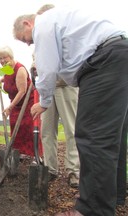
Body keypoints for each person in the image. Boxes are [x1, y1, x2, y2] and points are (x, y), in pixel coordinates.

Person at [13, 5, 128, 216]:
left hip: (103, 63)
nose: (29, 43)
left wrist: (44, 101)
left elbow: (47, 69)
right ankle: (113, 197)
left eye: (26, 38)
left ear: (28, 23)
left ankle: (92, 209)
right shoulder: (62, 20)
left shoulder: (44, 24)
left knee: (92, 136)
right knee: (111, 137)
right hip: (117, 56)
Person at [35, 4, 80, 188]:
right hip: (48, 90)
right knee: (47, 131)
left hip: (66, 87)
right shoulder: (41, 36)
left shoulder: (67, 31)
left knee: (72, 130)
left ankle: (74, 172)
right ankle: (50, 168)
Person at [0, 46, 43, 160]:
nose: (2, 61)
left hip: (28, 103)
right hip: (15, 103)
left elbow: (22, 91)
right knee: (15, 127)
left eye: (4, 58)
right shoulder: (6, 69)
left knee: (28, 128)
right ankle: (19, 153)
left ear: (10, 57)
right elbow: (8, 78)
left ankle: (37, 156)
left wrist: (9, 107)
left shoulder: (20, 69)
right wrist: (0, 80)